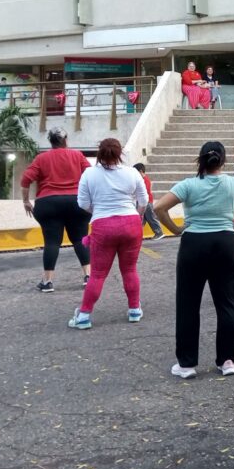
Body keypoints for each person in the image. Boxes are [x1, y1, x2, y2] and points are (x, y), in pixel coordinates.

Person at [153, 141, 234, 379]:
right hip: (225, 242)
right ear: (223, 161)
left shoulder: (189, 185)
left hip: (194, 243)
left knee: (188, 304)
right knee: (227, 303)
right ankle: (227, 360)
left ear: (200, 160)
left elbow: (159, 207)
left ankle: (187, 364)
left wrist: (176, 228)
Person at [68, 139, 148, 329]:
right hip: (131, 223)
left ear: (99, 153)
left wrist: (98, 212)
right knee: (129, 270)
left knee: (97, 274)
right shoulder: (132, 172)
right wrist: (137, 216)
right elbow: (143, 201)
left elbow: (82, 203)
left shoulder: (89, 174)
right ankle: (134, 309)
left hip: (103, 225)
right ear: (120, 153)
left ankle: (84, 316)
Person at [21, 128, 92, 293]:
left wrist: (26, 201)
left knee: (52, 242)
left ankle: (47, 281)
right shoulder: (77, 155)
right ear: (65, 139)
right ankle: (88, 277)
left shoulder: (41, 158)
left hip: (48, 203)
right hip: (76, 202)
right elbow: (90, 175)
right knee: (80, 239)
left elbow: (26, 180)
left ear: (50, 141)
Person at [133, 163, 164, 240]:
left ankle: (159, 232)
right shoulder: (141, 180)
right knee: (141, 219)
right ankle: (137, 234)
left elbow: (143, 192)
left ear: (140, 171)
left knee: (151, 218)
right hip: (142, 202)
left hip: (146, 202)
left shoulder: (145, 180)